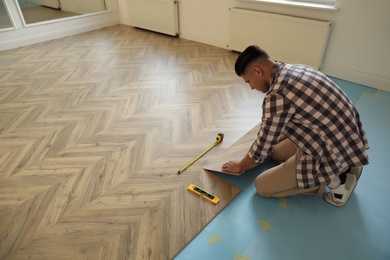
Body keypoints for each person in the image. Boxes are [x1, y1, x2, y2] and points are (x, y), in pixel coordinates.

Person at [222, 45, 369, 207]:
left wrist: (241, 165)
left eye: (249, 81)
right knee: (276, 153)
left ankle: (338, 181)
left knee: (262, 186)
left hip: (327, 151)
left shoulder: (277, 95)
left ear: (258, 71)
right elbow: (294, 120)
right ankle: (347, 164)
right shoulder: (295, 68)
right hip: (346, 137)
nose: (251, 87)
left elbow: (261, 150)